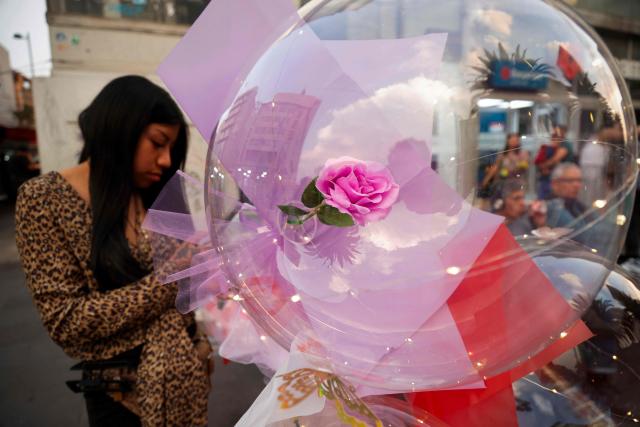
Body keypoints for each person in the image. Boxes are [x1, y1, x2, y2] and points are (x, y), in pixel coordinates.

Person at [15, 76, 211, 426]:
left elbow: (186, 300)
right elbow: (67, 321)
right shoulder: (44, 199)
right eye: (157, 143)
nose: (166, 160)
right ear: (120, 129)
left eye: (171, 149)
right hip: (119, 397)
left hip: (188, 379)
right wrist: (169, 280)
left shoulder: (158, 193)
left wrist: (204, 273)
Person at [535, 125, 574, 200]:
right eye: (553, 133)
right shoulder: (552, 145)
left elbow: (555, 160)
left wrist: (543, 166)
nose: (554, 135)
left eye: (556, 133)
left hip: (560, 177)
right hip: (547, 178)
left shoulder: (565, 145)